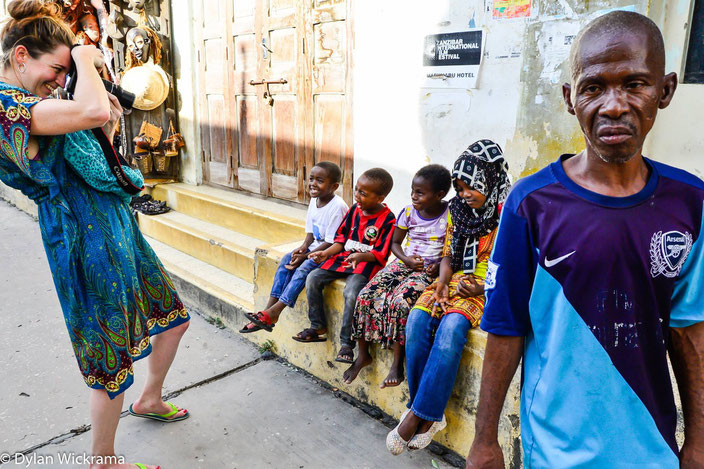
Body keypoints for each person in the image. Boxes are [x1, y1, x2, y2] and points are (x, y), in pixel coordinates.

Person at [466, 11, 704, 469]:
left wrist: (696, 439)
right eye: (593, 86)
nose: (614, 105)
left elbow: (689, 330)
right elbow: (506, 327)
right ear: (570, 99)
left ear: (666, 90)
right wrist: (484, 440)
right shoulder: (531, 203)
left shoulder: (690, 203)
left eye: (635, 83)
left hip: (652, 449)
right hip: (556, 451)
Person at [0, 2, 190, 468]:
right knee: (109, 350)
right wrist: (85, 57)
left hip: (111, 219)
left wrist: (86, 84)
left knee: (174, 316)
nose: (57, 80)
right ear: (20, 56)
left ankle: (150, 398)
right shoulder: (7, 108)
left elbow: (98, 116)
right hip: (79, 235)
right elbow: (89, 111)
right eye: (56, 69)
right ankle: (102, 459)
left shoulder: (36, 102)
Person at [386, 140, 510, 455]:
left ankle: (416, 414)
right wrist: (441, 284)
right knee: (416, 319)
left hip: (487, 285)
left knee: (452, 326)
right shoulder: (457, 210)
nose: (464, 193)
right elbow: (447, 256)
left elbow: (515, 264)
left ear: (490, 179)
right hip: (452, 279)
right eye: (459, 186)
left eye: (471, 186)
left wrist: (484, 288)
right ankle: (429, 414)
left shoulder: (508, 213)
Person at [343, 164, 451, 388]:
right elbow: (395, 243)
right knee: (366, 295)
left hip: (428, 271)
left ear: (440, 194)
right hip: (405, 263)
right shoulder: (409, 211)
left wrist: (438, 264)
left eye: (420, 192)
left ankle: (396, 363)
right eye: (412, 190)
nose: (414, 196)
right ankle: (363, 354)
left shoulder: (450, 216)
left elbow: (452, 252)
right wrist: (406, 260)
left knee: (400, 303)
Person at [293, 168, 396, 365]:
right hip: (342, 258)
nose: (357, 195)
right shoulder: (353, 210)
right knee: (313, 277)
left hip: (365, 264)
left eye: (363, 193)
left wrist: (361, 255)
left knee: (351, 292)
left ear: (380, 197)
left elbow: (381, 253)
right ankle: (317, 326)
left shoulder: (388, 219)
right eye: (356, 190)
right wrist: (325, 253)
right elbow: (340, 241)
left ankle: (346, 343)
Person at [240, 161, 348, 333]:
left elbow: (333, 241)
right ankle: (268, 309)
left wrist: (305, 257)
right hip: (314, 249)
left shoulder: (338, 207)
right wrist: (303, 247)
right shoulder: (315, 200)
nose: (313, 183)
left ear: (334, 186)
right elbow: (310, 233)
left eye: (320, 180)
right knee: (286, 260)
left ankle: (275, 311)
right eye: (311, 179)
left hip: (329, 253)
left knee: (303, 269)